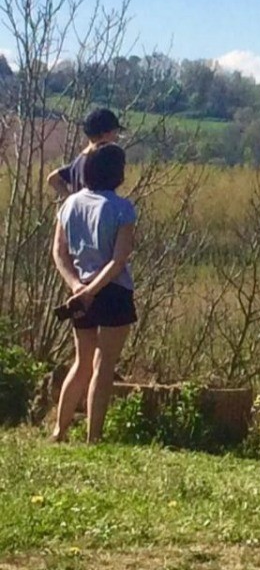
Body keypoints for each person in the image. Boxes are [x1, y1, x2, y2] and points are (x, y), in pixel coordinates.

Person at [50, 143, 137, 443]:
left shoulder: (69, 204)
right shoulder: (122, 208)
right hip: (113, 291)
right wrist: (94, 290)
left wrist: (77, 287)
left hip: (79, 290)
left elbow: (59, 252)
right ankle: (93, 436)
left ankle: (59, 430)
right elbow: (119, 258)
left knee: (81, 361)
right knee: (104, 364)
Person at [47, 108, 124, 197]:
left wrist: (71, 199)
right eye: (115, 132)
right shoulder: (100, 162)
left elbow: (52, 178)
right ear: (104, 133)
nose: (116, 137)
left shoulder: (79, 161)